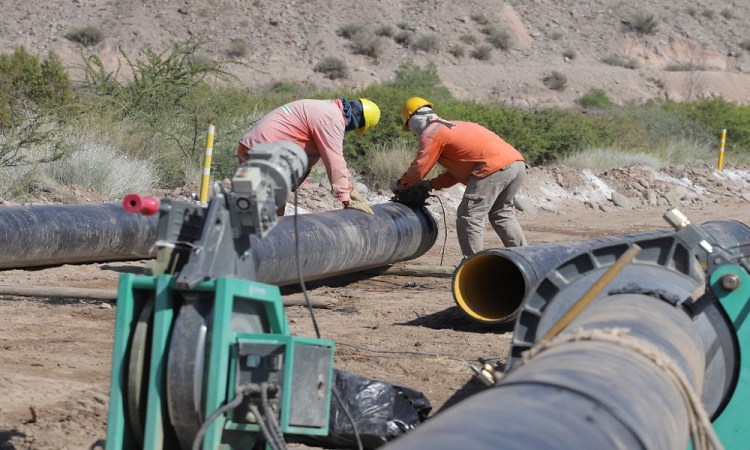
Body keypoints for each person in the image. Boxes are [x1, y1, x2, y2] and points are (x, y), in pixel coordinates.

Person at [395, 96, 528, 259]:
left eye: (410, 129)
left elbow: (420, 167)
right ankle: (526, 259)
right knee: (502, 214)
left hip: (492, 168)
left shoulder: (432, 133)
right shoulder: (453, 126)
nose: (414, 135)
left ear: (413, 121)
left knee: (469, 216)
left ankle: (474, 266)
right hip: (516, 164)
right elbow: (454, 174)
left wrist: (403, 184)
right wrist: (430, 185)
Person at [236, 98, 380, 215]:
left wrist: (351, 190)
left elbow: (334, 158)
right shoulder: (332, 119)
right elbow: (334, 160)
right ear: (359, 121)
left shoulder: (328, 109)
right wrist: (346, 199)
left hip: (256, 149)